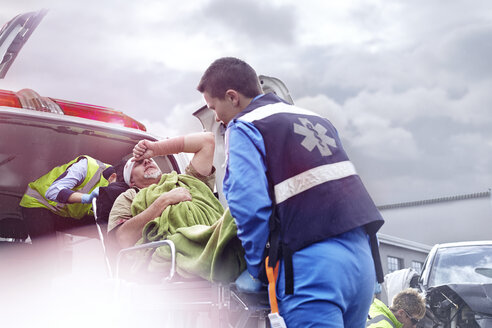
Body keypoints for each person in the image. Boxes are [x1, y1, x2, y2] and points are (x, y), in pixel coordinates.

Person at [197, 57, 385, 327]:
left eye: (214, 107)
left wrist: (261, 269)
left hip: (310, 268)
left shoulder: (245, 127)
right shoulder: (318, 119)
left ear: (232, 97)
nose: (216, 117)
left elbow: (248, 203)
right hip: (362, 260)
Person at [108, 132, 216, 249]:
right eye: (139, 163)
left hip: (215, 244)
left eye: (150, 159)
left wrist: (156, 149)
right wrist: (165, 200)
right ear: (131, 180)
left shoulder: (186, 180)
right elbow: (123, 238)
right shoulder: (128, 197)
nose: (147, 161)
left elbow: (207, 141)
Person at [19, 155, 115, 242]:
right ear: (113, 177)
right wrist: (87, 198)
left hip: (65, 213)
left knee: (109, 231)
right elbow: (53, 191)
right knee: (47, 253)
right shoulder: (87, 166)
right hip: (39, 203)